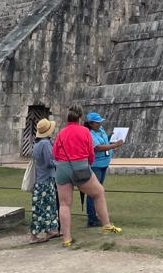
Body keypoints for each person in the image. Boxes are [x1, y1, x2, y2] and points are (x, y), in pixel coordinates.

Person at [52, 106, 121, 247]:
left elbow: (55, 152)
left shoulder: (62, 132)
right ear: (80, 117)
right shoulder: (84, 131)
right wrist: (87, 165)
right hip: (80, 165)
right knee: (99, 192)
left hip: (62, 168)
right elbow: (90, 152)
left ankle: (66, 238)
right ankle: (106, 224)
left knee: (64, 204)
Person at [83, 111, 124, 228]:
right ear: (91, 123)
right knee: (93, 191)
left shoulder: (100, 130)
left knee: (99, 191)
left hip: (104, 163)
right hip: (96, 165)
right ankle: (91, 217)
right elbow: (98, 147)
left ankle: (97, 214)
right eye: (97, 122)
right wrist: (115, 145)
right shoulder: (90, 134)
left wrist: (113, 137)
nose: (100, 124)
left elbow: (105, 141)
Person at [29, 118, 61, 243]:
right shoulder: (46, 144)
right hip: (46, 179)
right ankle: (34, 235)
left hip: (39, 179)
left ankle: (48, 230)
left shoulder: (37, 144)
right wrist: (59, 163)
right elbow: (49, 162)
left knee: (44, 206)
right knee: (45, 206)